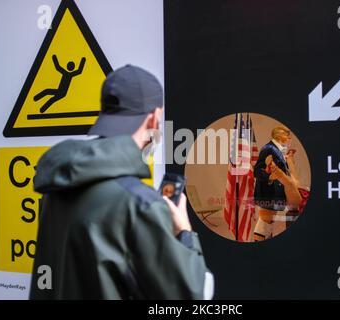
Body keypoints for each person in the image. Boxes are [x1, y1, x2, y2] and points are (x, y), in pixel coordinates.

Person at [29, 65, 214, 300]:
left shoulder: (55, 189)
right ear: (154, 119)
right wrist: (185, 234)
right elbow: (193, 294)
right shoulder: (140, 204)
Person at [253, 126, 302, 241]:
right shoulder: (268, 148)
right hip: (268, 192)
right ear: (279, 136)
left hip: (274, 191)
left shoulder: (277, 148)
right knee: (265, 222)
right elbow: (257, 170)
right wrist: (269, 176)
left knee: (268, 222)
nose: (289, 138)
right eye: (287, 135)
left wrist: (288, 158)